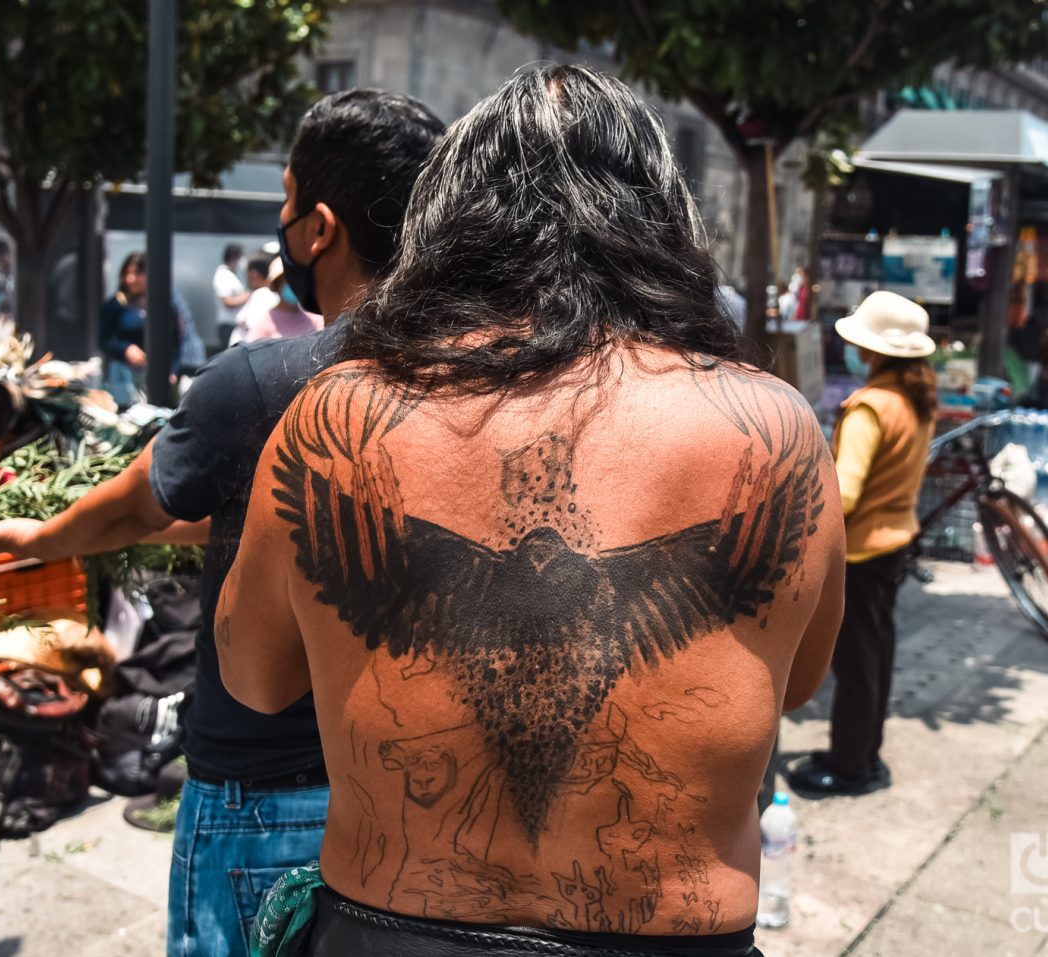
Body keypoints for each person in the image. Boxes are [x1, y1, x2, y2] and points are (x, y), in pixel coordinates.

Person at [216, 66, 843, 956]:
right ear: (664, 220)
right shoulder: (774, 431)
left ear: (447, 224)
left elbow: (255, 677)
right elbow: (802, 674)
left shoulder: (341, 414)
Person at [0, 89, 445, 955]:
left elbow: (129, 503)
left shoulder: (263, 381)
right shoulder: (469, 383)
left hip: (264, 795)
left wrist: (38, 537)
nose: (282, 219)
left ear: (320, 226)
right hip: (413, 791)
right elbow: (295, 527)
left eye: (286, 197)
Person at [788, 290, 937, 798]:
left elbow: (844, 492)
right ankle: (864, 752)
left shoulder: (870, 407)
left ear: (871, 350)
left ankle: (850, 768)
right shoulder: (916, 402)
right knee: (876, 656)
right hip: (895, 545)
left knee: (854, 665)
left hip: (861, 553)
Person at [99, 252, 151, 408]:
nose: (131, 279)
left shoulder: (158, 303)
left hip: (149, 373)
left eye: (137, 273)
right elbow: (103, 341)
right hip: (123, 373)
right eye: (127, 273)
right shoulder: (115, 304)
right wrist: (126, 349)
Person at [236, 258, 322, 343]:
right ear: (277, 285)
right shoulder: (264, 324)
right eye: (289, 281)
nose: (295, 285)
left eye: (298, 280)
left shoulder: (316, 320)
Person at [214, 243, 249, 346]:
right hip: (228, 326)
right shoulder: (223, 275)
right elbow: (226, 302)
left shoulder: (233, 274)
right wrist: (246, 297)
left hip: (235, 326)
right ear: (234, 258)